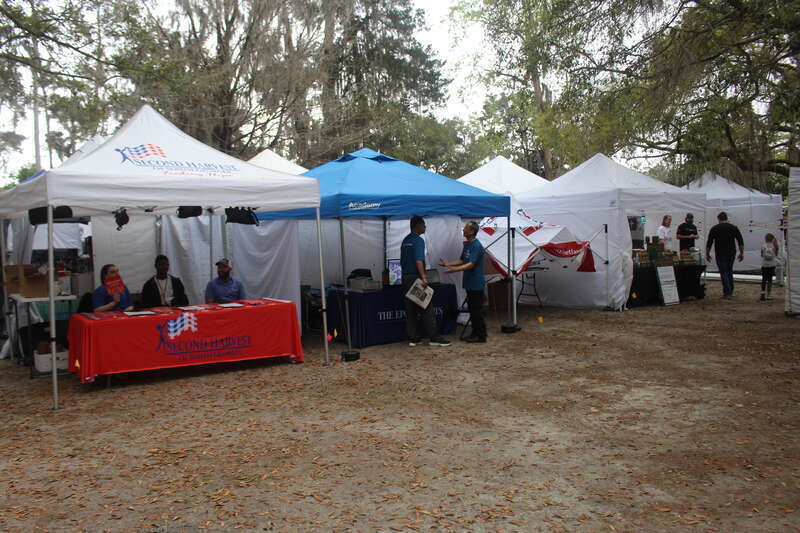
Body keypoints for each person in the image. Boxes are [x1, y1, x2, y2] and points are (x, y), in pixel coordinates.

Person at [400, 216, 451, 347]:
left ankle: (414, 338)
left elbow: (402, 261)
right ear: (417, 225)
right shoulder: (418, 240)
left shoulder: (405, 240)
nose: (425, 227)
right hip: (415, 278)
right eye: (423, 225)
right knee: (427, 307)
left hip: (405, 277)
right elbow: (419, 261)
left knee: (410, 309)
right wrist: (423, 277)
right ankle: (434, 338)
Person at [440, 221, 487, 343]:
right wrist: (448, 264)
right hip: (469, 282)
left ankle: (479, 336)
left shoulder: (476, 245)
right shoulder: (467, 244)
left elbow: (471, 264)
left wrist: (454, 270)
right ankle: (479, 333)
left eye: (466, 228)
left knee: (476, 310)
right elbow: (462, 260)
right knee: (473, 309)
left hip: (476, 283)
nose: (463, 230)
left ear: (472, 231)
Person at [706, 212, 744, 299]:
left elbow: (709, 242)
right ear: (726, 218)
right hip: (731, 252)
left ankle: (727, 292)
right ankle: (730, 290)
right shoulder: (733, 228)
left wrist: (707, 254)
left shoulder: (714, 228)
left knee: (724, 272)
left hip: (720, 253)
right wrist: (741, 253)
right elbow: (740, 241)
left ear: (718, 218)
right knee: (729, 271)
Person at [760, 233, 780, 301]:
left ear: (765, 238)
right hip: (772, 265)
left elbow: (762, 255)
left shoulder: (763, 246)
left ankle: (762, 294)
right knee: (770, 280)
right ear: (772, 239)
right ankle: (768, 295)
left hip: (764, 265)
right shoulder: (774, 246)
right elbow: (776, 255)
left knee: (764, 279)